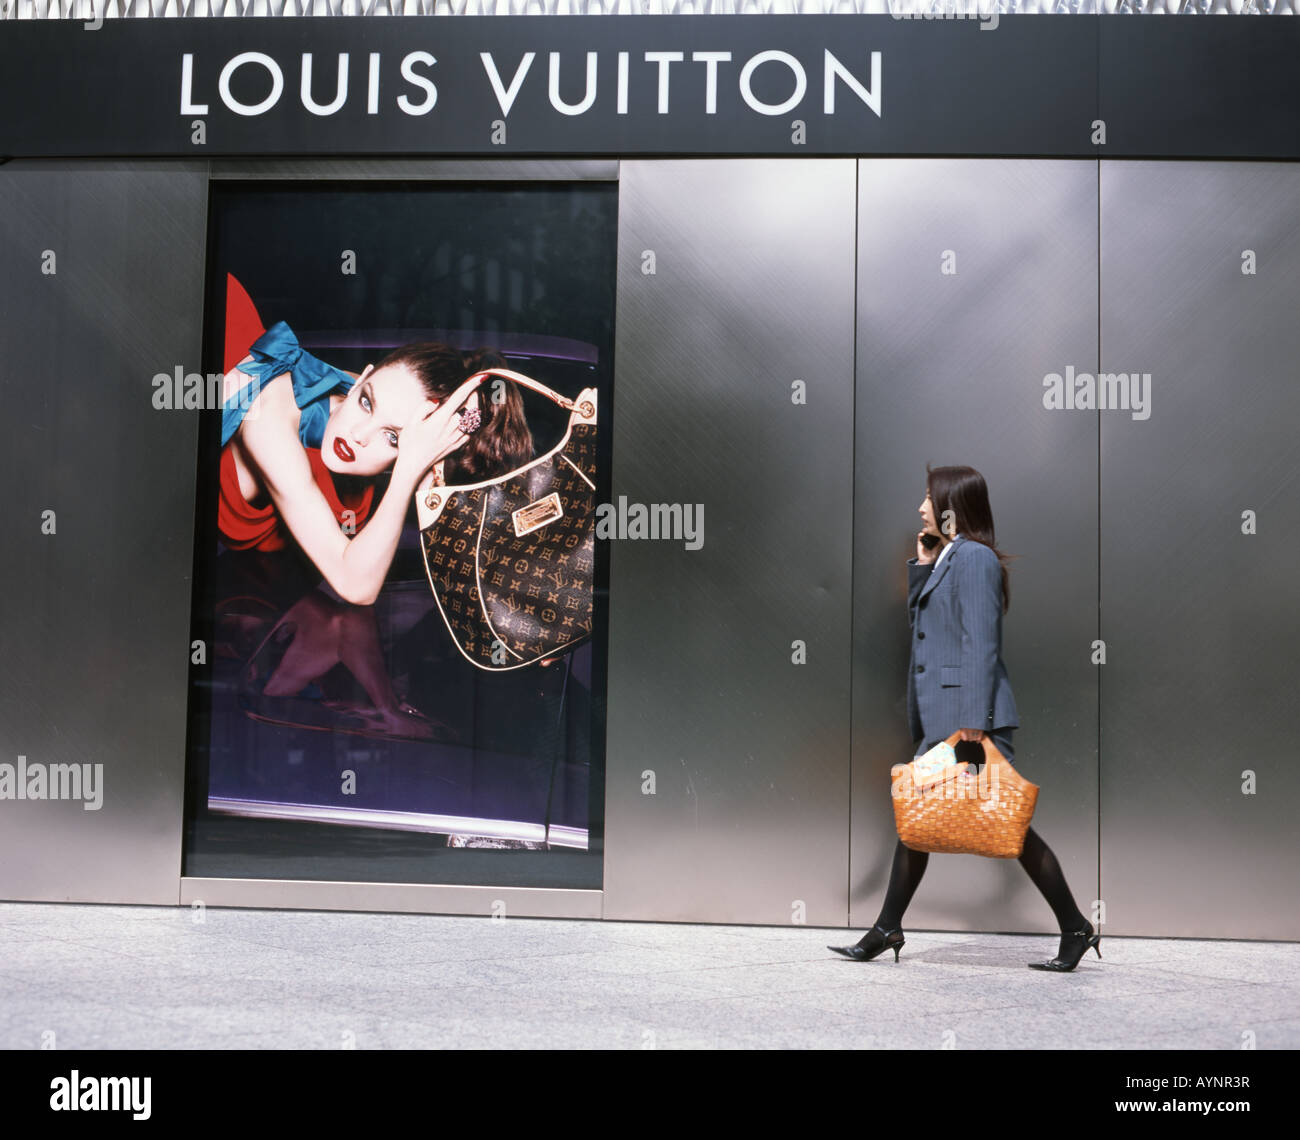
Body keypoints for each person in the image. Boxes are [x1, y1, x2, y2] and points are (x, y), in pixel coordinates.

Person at [829, 465, 1102, 972]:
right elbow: (927, 626)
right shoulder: (952, 557)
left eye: (928, 498)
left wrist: (974, 721)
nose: (920, 507)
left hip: (966, 719)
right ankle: (888, 926)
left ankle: (1076, 927)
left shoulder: (974, 559)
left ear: (951, 505)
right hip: (947, 715)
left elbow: (982, 641)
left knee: (1011, 829)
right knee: (918, 821)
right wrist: (925, 562)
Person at [217, 275, 533, 608]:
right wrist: (407, 469)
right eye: (367, 402)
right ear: (362, 379)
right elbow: (356, 587)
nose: (358, 435)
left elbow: (455, 543)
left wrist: (524, 610)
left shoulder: (372, 405)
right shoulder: (272, 420)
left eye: (391, 437)